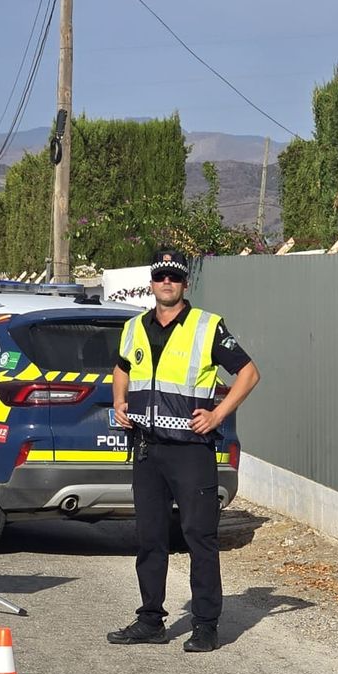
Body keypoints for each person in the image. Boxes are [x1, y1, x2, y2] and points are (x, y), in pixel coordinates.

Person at [107, 249, 260, 652]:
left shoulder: (207, 327)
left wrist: (218, 415)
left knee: (199, 538)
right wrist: (118, 402)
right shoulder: (135, 327)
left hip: (191, 451)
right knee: (150, 538)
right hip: (147, 449)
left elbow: (249, 373)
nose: (167, 283)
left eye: (174, 277)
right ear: (152, 283)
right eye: (161, 277)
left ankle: (206, 625)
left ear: (185, 284)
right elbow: (121, 368)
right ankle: (151, 620)